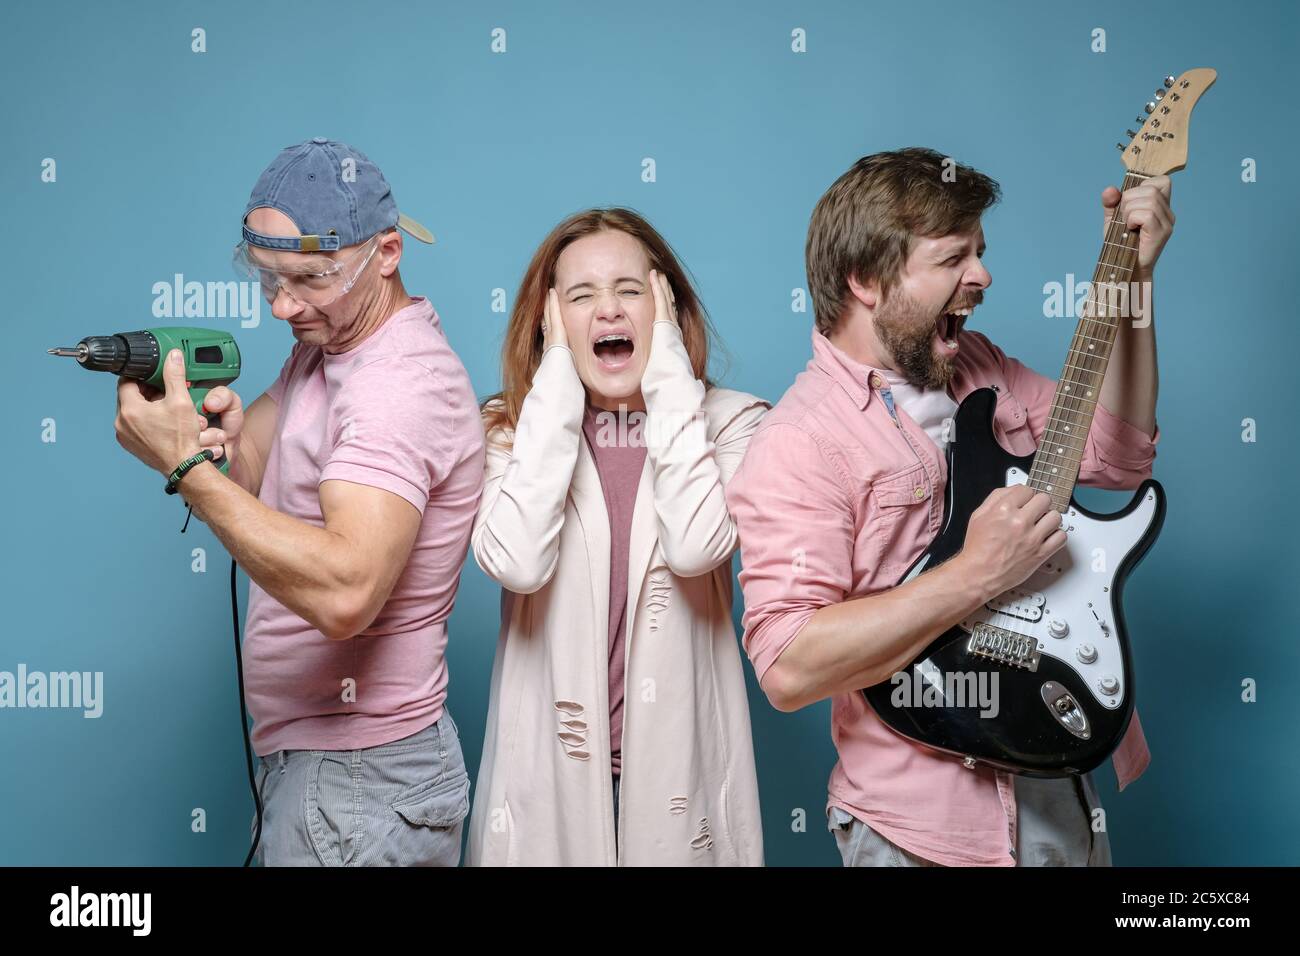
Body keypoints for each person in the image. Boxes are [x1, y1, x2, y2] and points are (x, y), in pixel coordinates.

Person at [727, 147, 1171, 866]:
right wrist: (976, 573)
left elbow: (1119, 454)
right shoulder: (798, 443)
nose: (983, 275)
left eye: (982, 251)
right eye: (953, 257)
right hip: (921, 824)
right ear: (865, 280)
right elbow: (788, 665)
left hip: (1057, 769)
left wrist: (1136, 282)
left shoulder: (981, 367)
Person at [114, 139, 485, 866]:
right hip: (330, 775)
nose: (283, 306)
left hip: (358, 784)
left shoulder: (395, 385)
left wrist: (188, 468)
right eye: (268, 280)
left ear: (385, 253)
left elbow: (347, 592)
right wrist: (210, 441)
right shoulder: (331, 344)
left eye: (309, 279)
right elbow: (253, 461)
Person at [466, 208, 766, 865]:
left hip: (680, 786)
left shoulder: (730, 426)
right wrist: (551, 391)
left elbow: (695, 546)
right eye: (580, 296)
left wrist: (667, 383)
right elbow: (516, 560)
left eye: (630, 290)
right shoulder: (507, 433)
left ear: (667, 309)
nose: (608, 310)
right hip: (548, 783)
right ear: (549, 322)